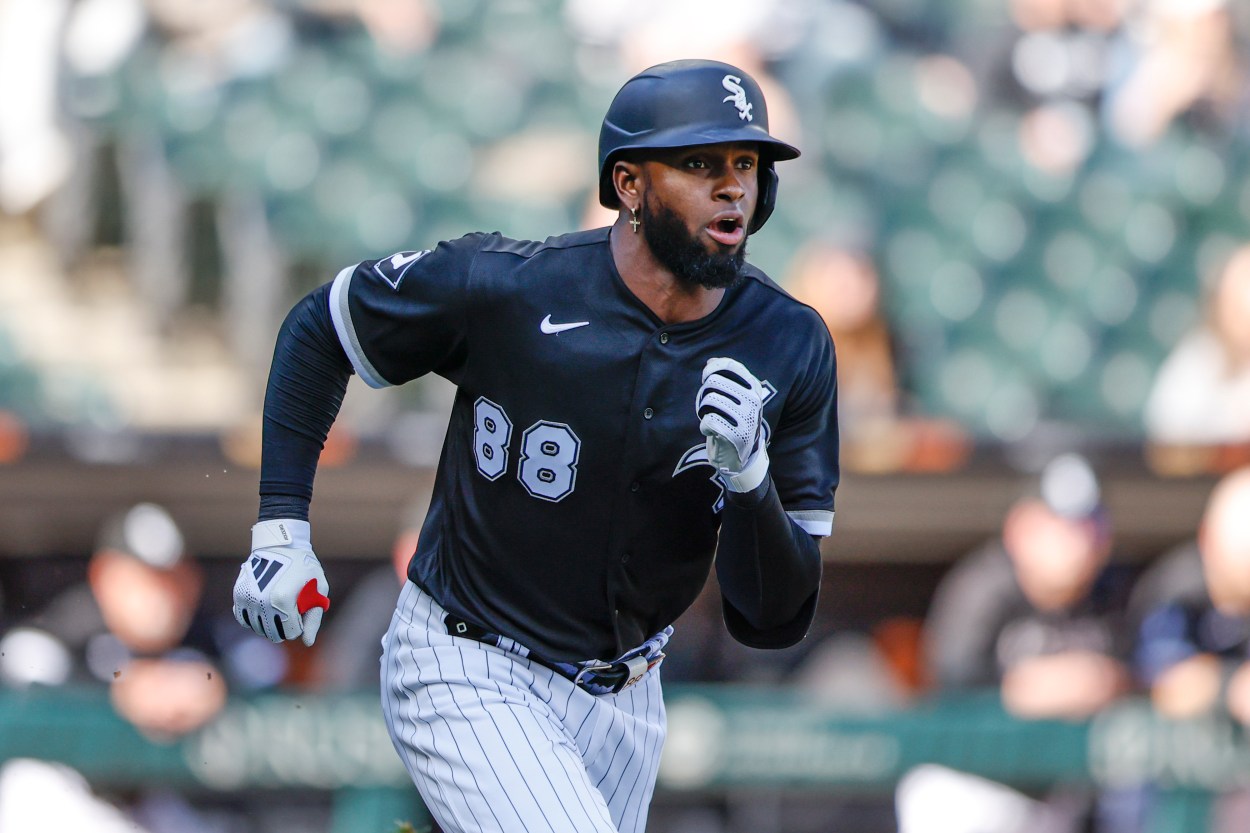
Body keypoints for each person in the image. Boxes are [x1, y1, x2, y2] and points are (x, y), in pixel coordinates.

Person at [230, 59, 838, 833]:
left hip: (628, 694)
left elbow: (775, 618)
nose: (733, 187)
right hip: (469, 657)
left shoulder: (790, 343)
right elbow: (322, 327)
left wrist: (752, 483)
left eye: (746, 164)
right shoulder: (511, 288)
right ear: (628, 185)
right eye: (698, 163)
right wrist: (281, 527)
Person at [898, 453, 1135, 833]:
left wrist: (1108, 681)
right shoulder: (982, 589)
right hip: (972, 789)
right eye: (1063, 526)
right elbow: (948, 693)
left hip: (1062, 795)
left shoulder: (1112, 595)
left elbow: (1144, 675)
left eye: (1091, 526)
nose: (1080, 542)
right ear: (1021, 528)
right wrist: (1024, 692)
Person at [1129, 467, 1250, 833]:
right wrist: (1230, 686)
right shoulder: (1176, 589)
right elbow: (1168, 686)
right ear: (1209, 539)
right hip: (1167, 791)